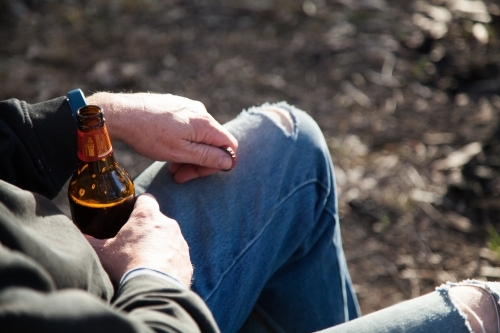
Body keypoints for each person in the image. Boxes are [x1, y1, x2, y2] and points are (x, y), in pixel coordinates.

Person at [1, 91, 499, 333]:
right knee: (489, 308)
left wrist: (99, 112)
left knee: (287, 140)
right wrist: (153, 274)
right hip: (140, 311)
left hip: (86, 273)